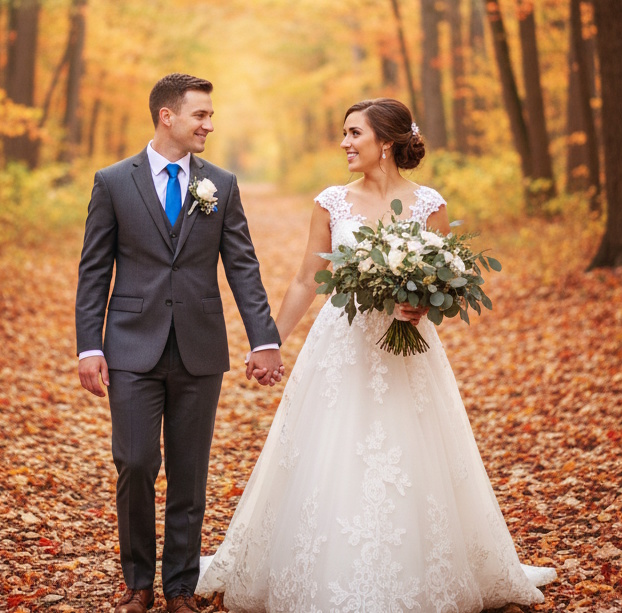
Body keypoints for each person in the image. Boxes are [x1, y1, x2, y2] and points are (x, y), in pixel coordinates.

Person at [197, 98, 556, 611]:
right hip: (341, 347)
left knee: (412, 451)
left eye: (353, 133)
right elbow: (307, 280)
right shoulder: (331, 202)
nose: (344, 143)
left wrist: (420, 308)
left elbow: (443, 284)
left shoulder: (430, 204)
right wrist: (269, 341)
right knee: (331, 449)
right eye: (344, 134)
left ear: (384, 142)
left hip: (408, 353)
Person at [75, 73, 285, 613]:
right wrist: (89, 346)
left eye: (211, 116)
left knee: (190, 473)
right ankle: (138, 583)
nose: (209, 125)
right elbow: (94, 271)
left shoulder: (221, 184)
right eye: (200, 115)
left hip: (198, 347)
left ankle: (180, 589)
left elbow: (242, 266)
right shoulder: (113, 182)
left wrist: (264, 339)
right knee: (137, 462)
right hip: (130, 347)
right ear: (167, 116)